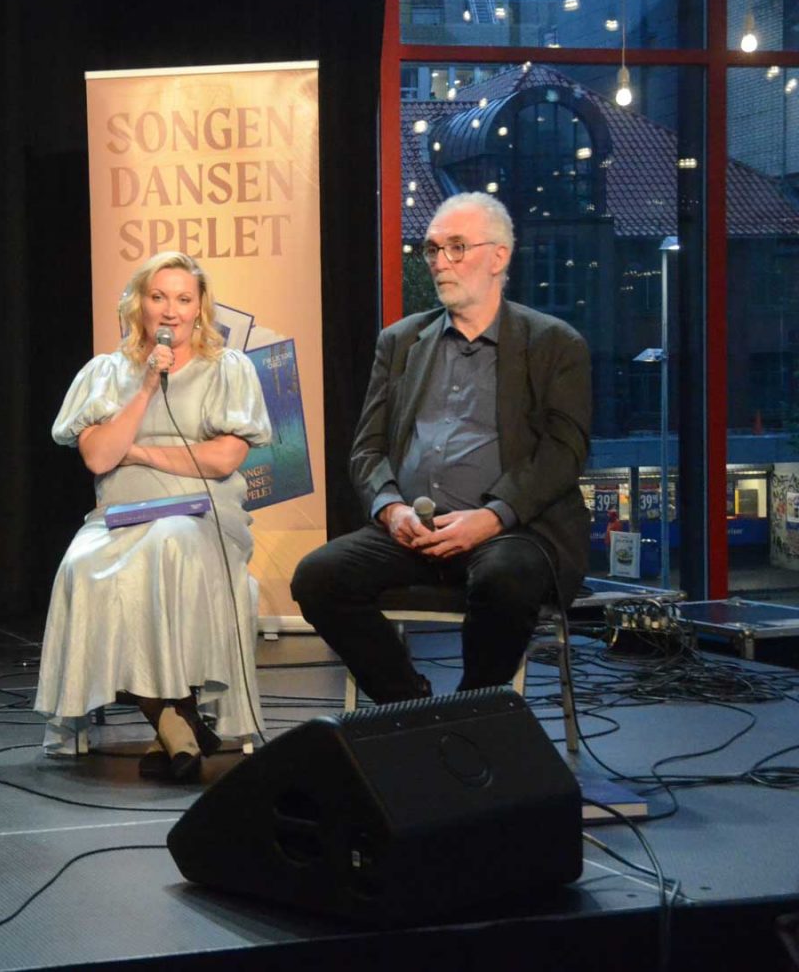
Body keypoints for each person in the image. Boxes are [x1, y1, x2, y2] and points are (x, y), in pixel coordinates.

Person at [291, 192, 592, 703]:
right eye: (432, 250)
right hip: (412, 530)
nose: (439, 263)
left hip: (509, 532)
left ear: (499, 257)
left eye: (456, 248)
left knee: (506, 579)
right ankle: (410, 704)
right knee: (318, 577)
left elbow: (565, 451)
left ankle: (475, 711)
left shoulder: (554, 344)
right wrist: (389, 510)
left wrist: (493, 517)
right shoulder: (402, 341)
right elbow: (366, 450)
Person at [34, 251, 272, 781]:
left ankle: (171, 723)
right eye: (158, 297)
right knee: (81, 565)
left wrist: (138, 452)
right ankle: (175, 721)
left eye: (184, 299)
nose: (171, 311)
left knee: (169, 542)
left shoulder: (228, 368)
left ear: (200, 308)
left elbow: (224, 459)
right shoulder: (105, 372)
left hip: (201, 514)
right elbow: (97, 458)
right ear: (137, 304)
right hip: (118, 516)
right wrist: (144, 387)